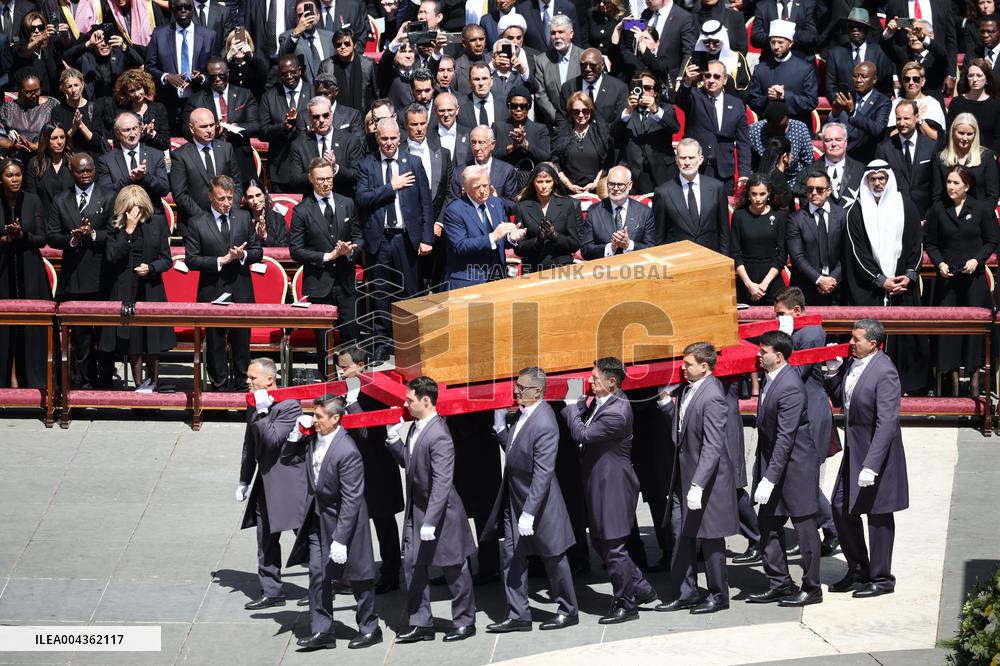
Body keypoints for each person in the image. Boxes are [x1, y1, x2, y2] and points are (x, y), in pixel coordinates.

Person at [483, 366, 579, 632]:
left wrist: (529, 512)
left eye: (521, 387)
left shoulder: (545, 423)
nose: (516, 391)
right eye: (516, 386)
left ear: (537, 391)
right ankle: (518, 615)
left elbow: (543, 472)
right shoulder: (524, 415)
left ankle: (568, 610)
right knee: (511, 557)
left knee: (553, 557)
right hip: (515, 502)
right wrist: (501, 431)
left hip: (540, 505)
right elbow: (517, 452)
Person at [562, 357, 658, 624]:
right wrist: (576, 399)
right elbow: (585, 419)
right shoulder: (604, 402)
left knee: (613, 547)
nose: (590, 380)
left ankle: (626, 605)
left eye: (595, 377)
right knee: (601, 542)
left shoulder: (616, 412)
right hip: (599, 483)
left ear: (612, 382)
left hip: (614, 486)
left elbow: (582, 434)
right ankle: (640, 588)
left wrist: (570, 405)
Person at [285, 394, 382, 651]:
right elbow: (286, 458)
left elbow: (351, 499)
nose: (314, 421)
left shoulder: (347, 451)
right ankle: (322, 630)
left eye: (319, 417)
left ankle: (370, 627)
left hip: (346, 523)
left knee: (359, 577)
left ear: (335, 419)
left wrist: (340, 539)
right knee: (318, 575)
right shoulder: (311, 440)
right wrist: (295, 434)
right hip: (319, 520)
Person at [387, 376, 478, 644]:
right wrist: (394, 441)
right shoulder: (416, 429)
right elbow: (411, 463)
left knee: (453, 568)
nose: (406, 403)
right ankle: (420, 622)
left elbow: (442, 481)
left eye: (409, 399)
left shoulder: (439, 434)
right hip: (417, 512)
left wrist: (430, 520)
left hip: (441, 515)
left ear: (425, 400)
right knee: (413, 566)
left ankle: (464, 621)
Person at [823, 319, 910, 598]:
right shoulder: (852, 363)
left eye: (856, 339)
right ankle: (859, 569)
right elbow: (841, 399)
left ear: (872, 343)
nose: (850, 342)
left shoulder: (885, 372)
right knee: (840, 508)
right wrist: (833, 374)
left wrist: (871, 465)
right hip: (854, 452)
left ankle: (882, 578)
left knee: (878, 515)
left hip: (876, 456)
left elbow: (886, 423)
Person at [655, 342, 737, 615]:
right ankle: (686, 592)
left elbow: (712, 445)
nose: (682, 367)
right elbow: (686, 424)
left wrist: (698, 484)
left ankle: (718, 594)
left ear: (704, 367)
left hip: (705, 481)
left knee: (711, 538)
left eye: (688, 363)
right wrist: (668, 406)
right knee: (680, 534)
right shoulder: (689, 390)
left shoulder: (713, 396)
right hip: (683, 477)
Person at [744, 330, 823, 607]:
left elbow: (785, 437)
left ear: (778, 357)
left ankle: (812, 588)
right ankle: (780, 583)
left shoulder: (788, 385)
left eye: (762, 351)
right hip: (775, 465)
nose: (758, 354)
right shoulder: (771, 379)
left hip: (796, 467)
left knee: (804, 528)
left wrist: (769, 478)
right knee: (768, 524)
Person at [844, 160, 927, 393]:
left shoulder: (906, 205)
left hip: (902, 286)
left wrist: (909, 275)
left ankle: (907, 386)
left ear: (889, 180)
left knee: (905, 339)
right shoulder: (857, 211)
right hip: (871, 288)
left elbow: (916, 244)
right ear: (867, 181)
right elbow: (856, 252)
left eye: (882, 178)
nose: (878, 183)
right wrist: (881, 280)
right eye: (873, 179)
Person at [356, 117, 434, 362]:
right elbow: (362, 199)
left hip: (407, 239)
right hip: (380, 241)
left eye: (392, 138)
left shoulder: (413, 162)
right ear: (377, 139)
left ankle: (408, 341)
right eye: (384, 138)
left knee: (409, 292)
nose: (388, 143)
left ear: (400, 138)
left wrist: (427, 237)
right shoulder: (366, 165)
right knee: (380, 293)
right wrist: (391, 186)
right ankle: (382, 342)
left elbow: (425, 203)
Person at [772, 287, 840, 557]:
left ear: (796, 312)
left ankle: (829, 527)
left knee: (804, 478)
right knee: (800, 476)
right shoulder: (798, 332)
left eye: (781, 315)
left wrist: (783, 338)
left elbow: (794, 373)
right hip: (800, 411)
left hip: (810, 414)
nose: (778, 320)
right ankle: (821, 527)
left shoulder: (811, 333)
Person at [236, 358, 306, 610]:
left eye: (253, 378)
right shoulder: (255, 403)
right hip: (266, 481)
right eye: (248, 377)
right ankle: (271, 590)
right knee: (265, 537)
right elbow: (250, 443)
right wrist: (244, 478)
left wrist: (263, 413)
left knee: (306, 537)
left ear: (269, 380)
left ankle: (327, 582)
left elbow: (274, 438)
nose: (248, 382)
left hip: (289, 483)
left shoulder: (289, 405)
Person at [923, 165, 998, 396]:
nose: (951, 187)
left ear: (966, 186)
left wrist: (977, 260)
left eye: (956, 183)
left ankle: (975, 382)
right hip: (947, 281)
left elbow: (991, 241)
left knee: (976, 332)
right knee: (948, 332)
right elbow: (931, 243)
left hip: (974, 281)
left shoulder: (982, 209)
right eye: (948, 182)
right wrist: (940, 263)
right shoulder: (937, 209)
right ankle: (952, 382)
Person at [336, 347, 405, 594]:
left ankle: (390, 574)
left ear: (361, 365)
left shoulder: (375, 392)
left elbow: (365, 432)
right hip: (354, 471)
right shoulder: (345, 390)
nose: (340, 372)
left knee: (384, 524)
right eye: (339, 367)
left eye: (345, 367)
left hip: (377, 470)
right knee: (355, 523)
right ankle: (354, 574)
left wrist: (353, 403)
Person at [183, 175, 262, 391]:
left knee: (241, 344)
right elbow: (191, 260)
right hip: (212, 291)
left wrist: (242, 255)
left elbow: (258, 251)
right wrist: (221, 260)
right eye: (221, 199)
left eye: (229, 198)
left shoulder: (244, 217)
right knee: (216, 345)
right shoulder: (197, 222)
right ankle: (218, 388)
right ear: (210, 196)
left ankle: (243, 386)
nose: (226, 203)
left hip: (241, 290)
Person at [46, 153, 116, 389]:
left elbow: (116, 232)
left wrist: (93, 235)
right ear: (71, 172)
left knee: (105, 333)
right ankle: (84, 381)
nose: (86, 175)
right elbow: (52, 234)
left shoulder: (108, 195)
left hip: (103, 275)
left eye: (89, 170)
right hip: (74, 276)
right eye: (80, 171)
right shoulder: (61, 199)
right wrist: (73, 239)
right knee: (81, 335)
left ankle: (105, 380)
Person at [289, 157, 361, 373]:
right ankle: (327, 381)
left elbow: (359, 235)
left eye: (329, 178)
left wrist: (352, 249)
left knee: (352, 332)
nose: (325, 183)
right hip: (320, 283)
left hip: (346, 281)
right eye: (320, 179)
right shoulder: (302, 210)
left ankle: (353, 381)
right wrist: (327, 256)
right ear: (311, 179)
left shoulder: (346, 203)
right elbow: (296, 250)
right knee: (324, 339)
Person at [98, 186, 174, 391]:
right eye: (131, 209)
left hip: (150, 286)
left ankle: (154, 384)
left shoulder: (157, 221)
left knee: (152, 340)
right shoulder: (115, 225)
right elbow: (112, 257)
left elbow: (167, 260)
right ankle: (139, 387)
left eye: (139, 208)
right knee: (133, 341)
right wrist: (128, 230)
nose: (135, 213)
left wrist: (151, 268)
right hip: (125, 288)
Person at [0, 157, 49, 389]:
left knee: (31, 326)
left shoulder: (32, 200)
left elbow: (42, 238)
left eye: (18, 175)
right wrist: (6, 238)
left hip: (30, 269)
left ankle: (34, 380)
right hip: (3, 270)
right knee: (5, 328)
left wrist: (21, 236)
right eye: (9, 175)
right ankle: (8, 379)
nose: (15, 179)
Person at [442, 164, 525, 289]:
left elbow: (501, 237)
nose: (482, 190)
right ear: (465, 188)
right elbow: (459, 246)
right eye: (477, 187)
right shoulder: (455, 210)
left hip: (497, 276)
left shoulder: (496, 203)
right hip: (469, 280)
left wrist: (511, 237)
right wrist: (493, 236)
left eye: (485, 185)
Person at [676, 58, 751, 194]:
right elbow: (681, 99)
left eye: (717, 77)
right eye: (707, 75)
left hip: (724, 172)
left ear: (725, 80)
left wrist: (744, 173)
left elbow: (743, 142)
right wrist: (687, 81)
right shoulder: (693, 96)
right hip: (696, 169)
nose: (711, 80)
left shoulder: (737, 104)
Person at [181, 57, 261, 180]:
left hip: (239, 155)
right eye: (213, 77)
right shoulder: (196, 99)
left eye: (221, 76)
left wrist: (236, 128)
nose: (218, 80)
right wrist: (211, 132)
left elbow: (255, 125)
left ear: (228, 73)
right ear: (207, 76)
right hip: (210, 155)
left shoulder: (244, 95)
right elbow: (186, 130)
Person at [169, 107, 245, 233]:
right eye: (204, 126)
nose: (210, 130)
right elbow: (180, 194)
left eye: (211, 125)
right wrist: (205, 218)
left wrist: (229, 208)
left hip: (226, 220)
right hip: (195, 223)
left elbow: (236, 184)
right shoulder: (180, 155)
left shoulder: (226, 149)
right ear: (191, 128)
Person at [144, 0, 216, 131]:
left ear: (193, 9)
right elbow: (149, 67)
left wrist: (202, 78)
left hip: (197, 102)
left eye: (187, 7)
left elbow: (215, 69)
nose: (183, 10)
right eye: (178, 7)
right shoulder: (159, 34)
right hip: (168, 102)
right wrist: (166, 77)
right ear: (172, 9)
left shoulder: (209, 35)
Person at [651, 138, 729, 254]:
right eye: (683, 158)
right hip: (678, 260)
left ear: (700, 159)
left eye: (691, 158)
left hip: (710, 258)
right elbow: (659, 237)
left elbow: (724, 233)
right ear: (676, 160)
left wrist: (725, 261)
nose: (687, 162)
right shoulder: (663, 193)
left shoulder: (717, 188)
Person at [96, 111, 171, 231]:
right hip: (120, 223)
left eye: (135, 128)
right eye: (127, 130)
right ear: (117, 133)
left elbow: (164, 189)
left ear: (140, 129)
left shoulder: (155, 155)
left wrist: (145, 177)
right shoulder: (106, 160)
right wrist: (129, 179)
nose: (132, 133)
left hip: (152, 221)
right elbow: (105, 193)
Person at [613, 70, 680, 195]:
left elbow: (675, 128)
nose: (643, 91)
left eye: (648, 88)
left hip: (661, 172)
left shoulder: (666, 109)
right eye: (638, 87)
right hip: (633, 173)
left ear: (655, 92)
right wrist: (628, 110)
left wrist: (655, 109)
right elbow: (614, 133)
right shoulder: (625, 110)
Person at [786, 171, 846, 305]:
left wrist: (832, 279)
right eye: (809, 189)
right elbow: (797, 257)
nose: (814, 193)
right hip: (805, 289)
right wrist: (819, 280)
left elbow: (846, 253)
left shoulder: (842, 215)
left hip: (836, 287)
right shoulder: (795, 219)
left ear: (828, 191)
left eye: (819, 189)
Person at [287, 95, 363, 197]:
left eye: (325, 115)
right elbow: (294, 181)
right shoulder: (299, 145)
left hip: (342, 201)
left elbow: (358, 175)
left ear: (332, 114)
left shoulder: (350, 141)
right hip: (312, 203)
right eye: (316, 117)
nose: (321, 120)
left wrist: (335, 168)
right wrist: (316, 174)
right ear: (310, 118)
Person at [513, 162, 582, 273]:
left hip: (561, 267)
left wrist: (554, 236)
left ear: (554, 182)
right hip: (533, 268)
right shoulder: (522, 207)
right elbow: (518, 249)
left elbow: (575, 244)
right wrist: (538, 240)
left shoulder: (567, 204)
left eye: (548, 181)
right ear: (533, 183)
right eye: (539, 182)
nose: (544, 186)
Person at [746, 20, 818, 126]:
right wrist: (768, 98)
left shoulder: (805, 69)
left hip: (797, 125)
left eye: (780, 43)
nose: (776, 47)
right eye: (773, 42)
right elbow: (752, 100)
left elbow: (811, 102)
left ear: (791, 43)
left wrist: (785, 96)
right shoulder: (760, 69)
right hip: (768, 126)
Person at [730, 175, 787, 305]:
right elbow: (734, 253)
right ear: (748, 194)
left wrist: (764, 284)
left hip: (772, 281)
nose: (758, 198)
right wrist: (749, 284)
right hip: (746, 279)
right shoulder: (739, 215)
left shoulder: (779, 216)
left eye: (762, 194)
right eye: (754, 194)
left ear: (769, 194)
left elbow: (782, 254)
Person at [874, 100, 937, 216]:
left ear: (916, 117)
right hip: (895, 215)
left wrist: (931, 216)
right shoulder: (884, 149)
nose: (902, 123)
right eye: (898, 119)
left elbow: (936, 187)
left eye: (906, 118)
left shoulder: (931, 146)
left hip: (925, 216)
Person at [259, 55, 311, 192]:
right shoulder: (269, 97)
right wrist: (283, 127)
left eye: (292, 72)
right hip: (280, 169)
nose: (289, 76)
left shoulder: (313, 92)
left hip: (309, 166)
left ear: (300, 70)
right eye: (284, 73)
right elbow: (263, 132)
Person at [580, 165, 657, 259]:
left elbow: (652, 248)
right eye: (611, 184)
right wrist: (610, 248)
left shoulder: (644, 212)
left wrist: (629, 245)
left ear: (629, 185)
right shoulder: (594, 212)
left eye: (620, 185)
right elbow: (585, 250)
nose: (615, 189)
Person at [931, 113, 1000, 209]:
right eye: (961, 133)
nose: (965, 138)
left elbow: (993, 195)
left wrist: (979, 218)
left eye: (969, 134)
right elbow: (937, 196)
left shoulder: (986, 157)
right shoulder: (940, 158)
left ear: (975, 134)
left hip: (980, 218)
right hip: (949, 217)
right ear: (953, 132)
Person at [828, 61, 890, 164]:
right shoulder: (846, 97)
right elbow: (828, 130)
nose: (858, 80)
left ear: (874, 79)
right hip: (840, 158)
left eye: (863, 77)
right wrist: (834, 114)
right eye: (855, 76)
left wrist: (853, 112)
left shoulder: (882, 101)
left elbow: (878, 130)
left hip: (864, 158)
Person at [824, 9, 895, 98]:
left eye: (859, 26)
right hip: (843, 107)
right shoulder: (835, 54)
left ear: (867, 29)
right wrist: (842, 106)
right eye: (851, 26)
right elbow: (830, 88)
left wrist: (873, 107)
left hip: (873, 108)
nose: (855, 29)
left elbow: (886, 87)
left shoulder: (879, 52)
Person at [552, 92, 613, 196]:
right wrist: (568, 184)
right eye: (576, 111)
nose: (581, 115)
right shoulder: (561, 133)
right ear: (570, 113)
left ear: (590, 111)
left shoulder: (601, 133)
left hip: (596, 192)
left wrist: (596, 182)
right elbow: (555, 162)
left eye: (585, 111)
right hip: (568, 192)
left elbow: (608, 162)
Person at [450, 125, 519, 212]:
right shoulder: (459, 172)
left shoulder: (506, 171)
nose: (476, 148)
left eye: (481, 143)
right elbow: (452, 205)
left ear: (492, 145)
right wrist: (465, 199)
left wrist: (495, 200)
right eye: (473, 143)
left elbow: (512, 205)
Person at [748, 102, 813, 193]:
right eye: (775, 128)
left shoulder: (800, 129)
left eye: (783, 127)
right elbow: (749, 164)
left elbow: (807, 162)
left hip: (793, 182)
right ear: (768, 123)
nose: (780, 131)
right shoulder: (755, 131)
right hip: (764, 183)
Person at [795, 122, 864, 207]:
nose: (834, 144)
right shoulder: (808, 172)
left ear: (846, 143)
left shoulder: (861, 170)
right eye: (828, 140)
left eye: (838, 140)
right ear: (823, 143)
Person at [103, 69, 171, 153]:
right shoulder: (122, 114)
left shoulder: (159, 108)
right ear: (126, 93)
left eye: (139, 88)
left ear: (145, 87)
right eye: (132, 91)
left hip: (155, 158)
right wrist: (138, 135)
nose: (137, 94)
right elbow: (116, 143)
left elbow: (166, 144)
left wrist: (153, 134)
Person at [532, 15, 583, 125]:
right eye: (553, 33)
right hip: (554, 124)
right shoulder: (542, 60)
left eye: (561, 32)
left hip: (581, 120)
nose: (557, 36)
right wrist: (557, 119)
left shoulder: (583, 57)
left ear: (571, 33)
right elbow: (541, 94)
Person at [0, 70, 59, 162]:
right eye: (28, 92)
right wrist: (11, 144)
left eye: (37, 90)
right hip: (16, 160)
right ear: (19, 91)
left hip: (45, 158)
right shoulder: (8, 107)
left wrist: (37, 145)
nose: (34, 95)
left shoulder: (52, 105)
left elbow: (60, 134)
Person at [492, 86, 551, 177]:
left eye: (523, 106)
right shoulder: (498, 127)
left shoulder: (540, 129)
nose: (518, 109)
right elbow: (490, 154)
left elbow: (546, 156)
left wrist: (525, 144)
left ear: (529, 107)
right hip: (502, 177)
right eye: (514, 106)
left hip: (529, 180)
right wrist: (511, 147)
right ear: (509, 106)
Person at [880, 18, 951, 93]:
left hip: (930, 100)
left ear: (931, 35)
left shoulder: (936, 55)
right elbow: (886, 46)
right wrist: (889, 31)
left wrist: (922, 38)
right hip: (907, 101)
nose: (914, 37)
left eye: (918, 33)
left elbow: (943, 55)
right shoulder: (904, 54)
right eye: (912, 34)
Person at [946, 59, 1000, 155]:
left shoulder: (996, 104)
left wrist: (992, 156)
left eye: (979, 76)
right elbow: (950, 133)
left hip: (987, 158)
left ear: (987, 79)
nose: (975, 79)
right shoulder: (957, 103)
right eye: (971, 76)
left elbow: (998, 136)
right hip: (960, 155)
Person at [50, 68, 107, 156]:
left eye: (76, 85)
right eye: (69, 86)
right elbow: (58, 142)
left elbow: (96, 141)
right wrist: (74, 128)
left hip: (91, 157)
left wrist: (81, 125)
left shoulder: (94, 107)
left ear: (82, 85)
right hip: (68, 157)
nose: (73, 90)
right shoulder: (58, 110)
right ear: (64, 89)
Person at [886, 61, 945, 143]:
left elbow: (938, 138)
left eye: (916, 79)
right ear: (902, 82)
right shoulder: (895, 104)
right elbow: (889, 137)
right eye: (907, 79)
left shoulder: (933, 104)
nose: (911, 82)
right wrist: (912, 118)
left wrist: (920, 121)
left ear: (923, 81)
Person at [24, 122, 74, 213]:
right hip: (45, 220)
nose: (59, 142)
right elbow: (32, 198)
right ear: (46, 140)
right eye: (54, 138)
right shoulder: (35, 164)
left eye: (62, 137)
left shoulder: (73, 162)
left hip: (70, 220)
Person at [12, 11, 63, 95]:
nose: (37, 31)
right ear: (26, 30)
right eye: (32, 28)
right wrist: (41, 38)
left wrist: (65, 35)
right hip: (27, 99)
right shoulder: (19, 45)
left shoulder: (50, 45)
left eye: (40, 27)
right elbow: (23, 52)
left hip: (51, 97)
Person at [223, 27, 269, 99]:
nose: (239, 48)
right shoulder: (227, 64)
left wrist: (251, 55)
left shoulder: (254, 62)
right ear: (229, 47)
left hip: (252, 103)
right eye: (236, 44)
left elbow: (263, 74)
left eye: (242, 44)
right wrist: (228, 57)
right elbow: (219, 74)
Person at [241, 179, 289, 248]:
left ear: (265, 195)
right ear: (245, 199)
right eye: (250, 197)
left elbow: (284, 247)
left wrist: (265, 236)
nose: (255, 201)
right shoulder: (240, 219)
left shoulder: (277, 218)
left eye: (258, 195)